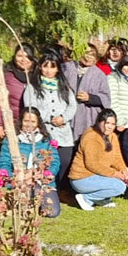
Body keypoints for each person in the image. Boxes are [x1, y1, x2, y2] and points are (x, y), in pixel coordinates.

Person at [24, 53, 77, 192]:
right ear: (40, 67)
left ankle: (60, 190)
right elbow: (30, 107)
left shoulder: (64, 86)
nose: (48, 70)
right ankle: (44, 189)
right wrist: (50, 117)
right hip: (45, 131)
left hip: (63, 132)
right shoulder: (33, 86)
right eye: (45, 66)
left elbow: (72, 105)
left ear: (58, 69)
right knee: (47, 161)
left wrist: (63, 118)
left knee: (64, 161)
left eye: (52, 67)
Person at [0, 107, 61, 217]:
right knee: (20, 210)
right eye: (26, 121)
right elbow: (4, 162)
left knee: (52, 212)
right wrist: (13, 178)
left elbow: (55, 161)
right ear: (21, 121)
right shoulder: (11, 139)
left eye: (33, 121)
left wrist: (47, 175)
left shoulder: (45, 139)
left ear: (38, 123)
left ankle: (35, 201)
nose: (29, 125)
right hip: (19, 182)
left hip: (41, 182)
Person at [69, 109, 128, 211]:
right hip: (82, 178)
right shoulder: (91, 136)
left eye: (112, 124)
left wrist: (123, 171)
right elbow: (92, 164)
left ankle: (101, 199)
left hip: (97, 174)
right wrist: (114, 174)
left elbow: (117, 157)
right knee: (119, 187)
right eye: (106, 123)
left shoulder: (112, 136)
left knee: (127, 171)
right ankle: (86, 198)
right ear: (99, 122)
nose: (109, 126)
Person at [63, 44, 111, 142]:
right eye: (86, 53)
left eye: (92, 55)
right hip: (65, 113)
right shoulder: (66, 68)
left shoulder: (99, 75)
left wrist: (90, 98)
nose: (89, 57)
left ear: (96, 59)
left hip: (87, 117)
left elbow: (106, 98)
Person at [0, 44, 36, 140]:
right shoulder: (6, 75)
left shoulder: (38, 75)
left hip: (35, 126)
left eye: (27, 56)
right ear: (14, 57)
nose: (23, 60)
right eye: (19, 56)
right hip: (13, 125)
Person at [107, 54, 128, 133]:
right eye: (127, 65)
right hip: (119, 124)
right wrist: (119, 121)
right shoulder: (113, 78)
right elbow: (112, 100)